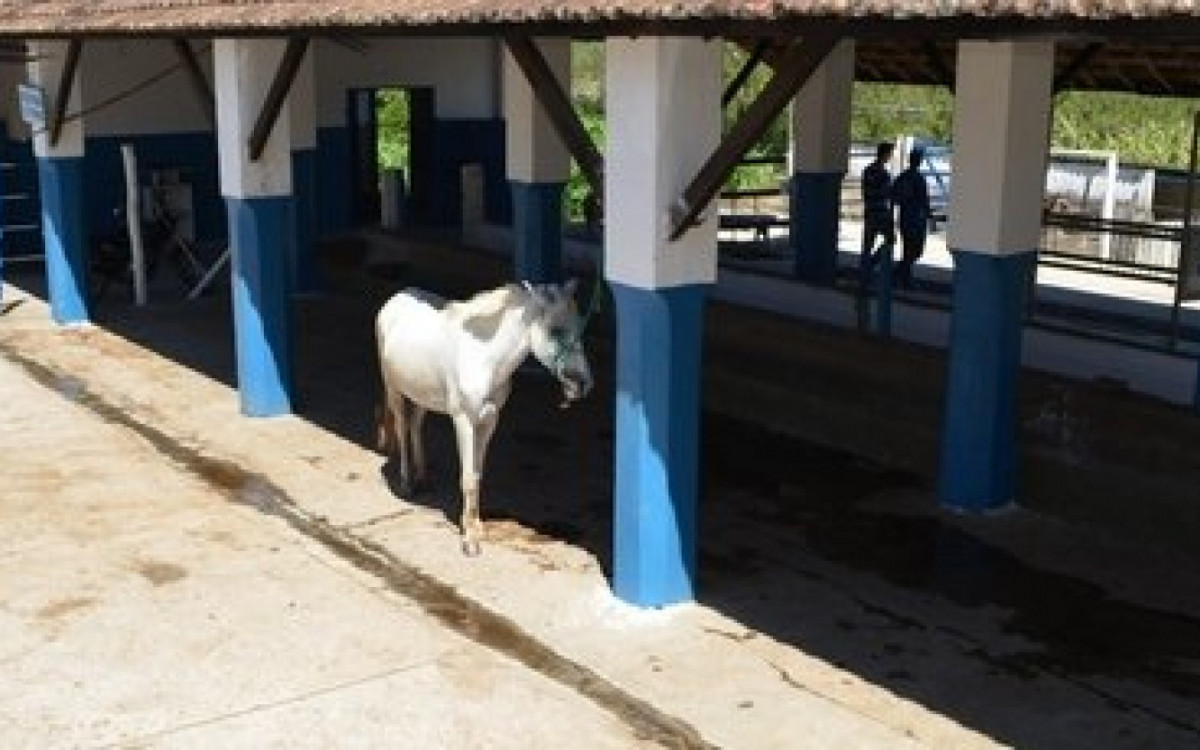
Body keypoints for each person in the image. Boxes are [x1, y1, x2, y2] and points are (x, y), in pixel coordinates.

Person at [891, 147, 932, 289]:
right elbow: (924, 201)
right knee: (915, 251)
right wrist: (929, 215)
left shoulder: (902, 177)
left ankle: (902, 276)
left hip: (904, 218)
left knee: (908, 249)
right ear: (919, 161)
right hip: (916, 220)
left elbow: (894, 197)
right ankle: (901, 276)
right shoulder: (919, 178)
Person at [859, 142, 896, 290]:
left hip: (869, 211)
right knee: (891, 239)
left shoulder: (867, 170)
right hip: (880, 211)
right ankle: (872, 264)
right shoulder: (883, 173)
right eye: (890, 153)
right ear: (885, 154)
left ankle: (864, 277)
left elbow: (866, 192)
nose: (890, 156)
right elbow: (887, 193)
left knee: (867, 245)